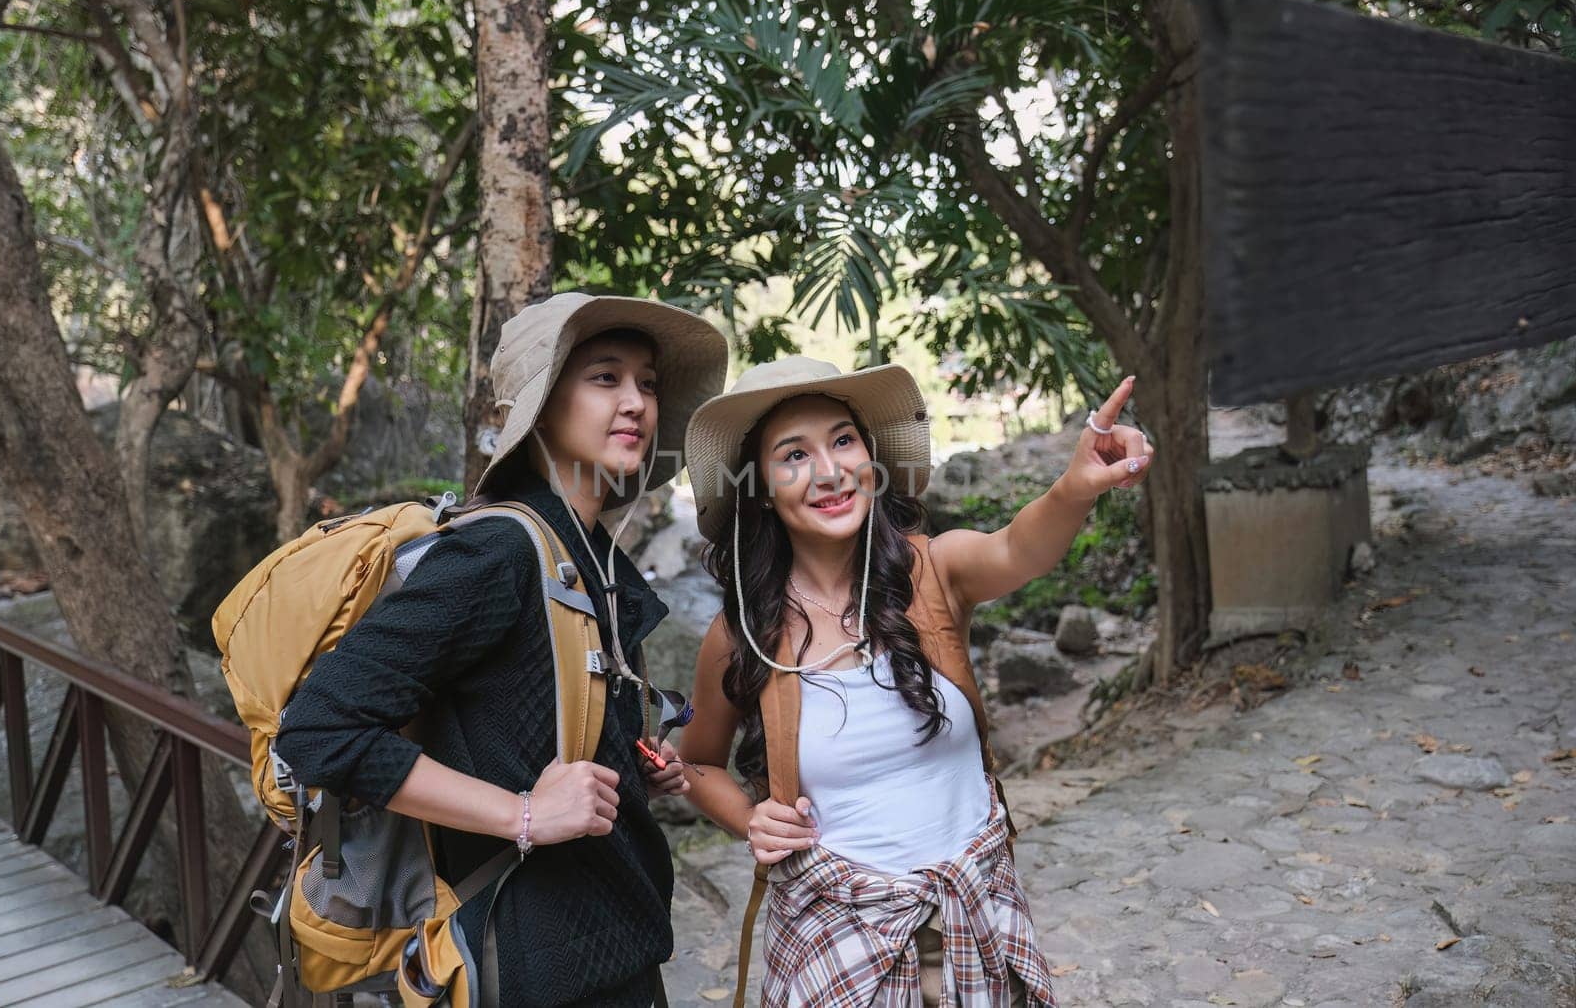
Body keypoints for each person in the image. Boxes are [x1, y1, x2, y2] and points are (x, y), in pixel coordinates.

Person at [275, 292, 728, 1007]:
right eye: (605, 377)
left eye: (646, 381)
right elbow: (317, 729)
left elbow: (522, 731)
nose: (637, 399)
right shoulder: (498, 553)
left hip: (616, 946)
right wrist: (523, 814)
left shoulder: (589, 560)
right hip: (532, 965)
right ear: (544, 406)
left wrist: (634, 762)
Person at [675, 356, 1152, 1006]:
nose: (830, 469)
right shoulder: (743, 634)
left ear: (871, 459)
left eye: (843, 440)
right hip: (837, 950)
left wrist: (1075, 485)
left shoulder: (934, 574)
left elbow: (1020, 548)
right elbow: (697, 762)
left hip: (979, 932)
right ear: (760, 487)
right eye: (794, 454)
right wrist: (751, 818)